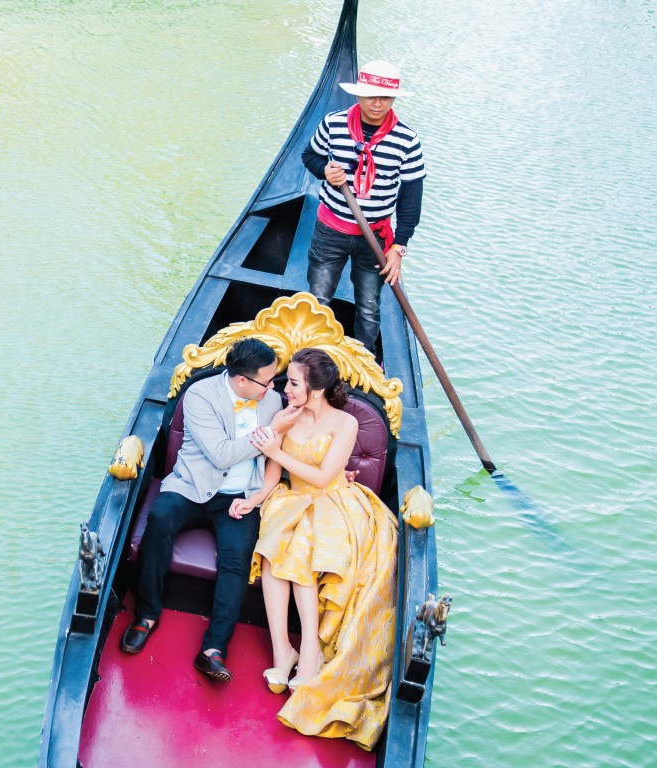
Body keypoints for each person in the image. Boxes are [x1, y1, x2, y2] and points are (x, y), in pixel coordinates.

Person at [238, 348, 398, 752]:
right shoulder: (285, 417)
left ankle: (308, 651)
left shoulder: (345, 422)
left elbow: (326, 478)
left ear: (317, 388)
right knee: (274, 550)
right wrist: (253, 500)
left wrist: (274, 449)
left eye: (293, 383)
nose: (285, 389)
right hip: (291, 499)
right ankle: (283, 650)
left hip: (333, 501)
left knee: (302, 547)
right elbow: (274, 477)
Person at [119, 338, 283, 683]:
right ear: (242, 380)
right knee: (160, 519)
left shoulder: (272, 402)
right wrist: (271, 433)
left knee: (237, 557)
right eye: (267, 381)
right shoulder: (200, 395)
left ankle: (213, 648)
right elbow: (221, 455)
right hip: (192, 486)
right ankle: (146, 615)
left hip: (240, 495)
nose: (272, 388)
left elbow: (279, 452)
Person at [301, 60, 426, 356]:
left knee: (369, 307)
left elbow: (411, 199)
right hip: (330, 230)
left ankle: (364, 363)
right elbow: (310, 156)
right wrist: (324, 171)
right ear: (358, 94)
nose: (377, 104)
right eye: (370, 96)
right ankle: (312, 360)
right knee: (318, 301)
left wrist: (398, 248)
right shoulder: (333, 124)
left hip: (375, 238)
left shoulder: (407, 140)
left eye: (385, 97)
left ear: (393, 98)